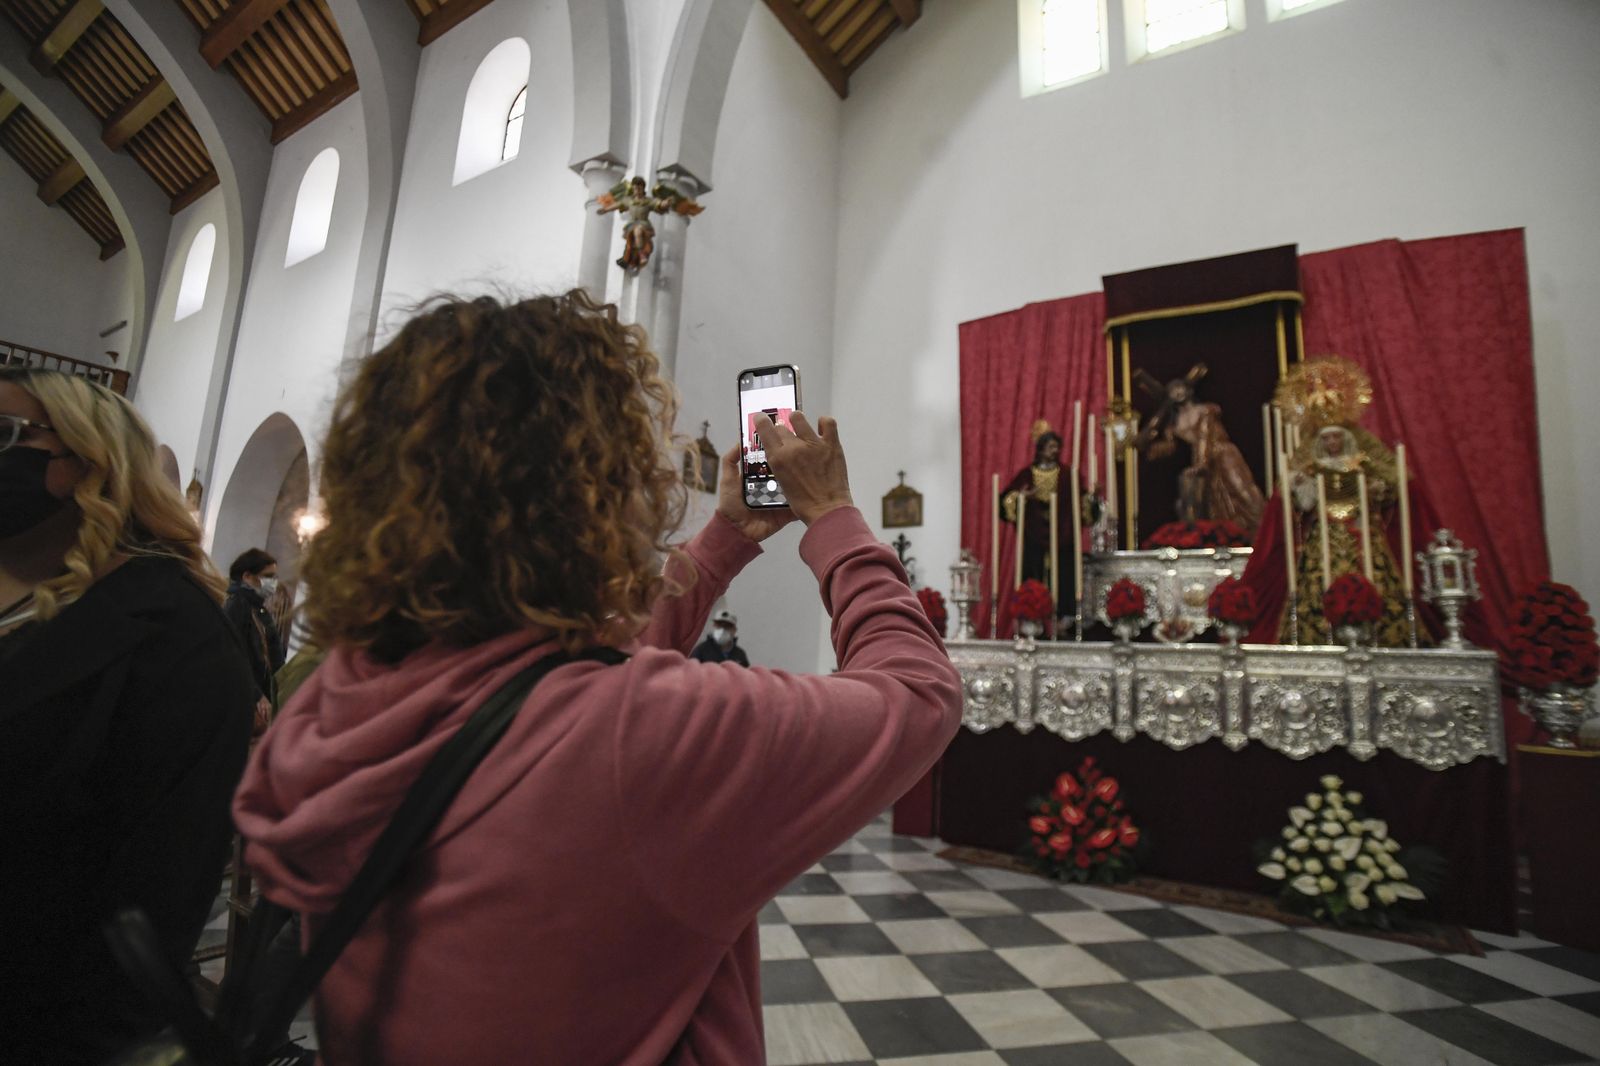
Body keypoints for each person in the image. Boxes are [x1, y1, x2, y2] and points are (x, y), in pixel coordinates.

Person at [232, 291, 962, 1066]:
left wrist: (725, 540)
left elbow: (546, 685)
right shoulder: (633, 736)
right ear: (595, 496)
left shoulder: (342, 695)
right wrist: (834, 516)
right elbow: (917, 694)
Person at [0, 368, 256, 1063]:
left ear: (89, 461)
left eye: (7, 437)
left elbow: (157, 886)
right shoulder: (26, 600)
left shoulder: (173, 633)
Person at [224, 547, 284, 714]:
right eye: (267, 576)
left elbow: (275, 656)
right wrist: (256, 695)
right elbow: (233, 655)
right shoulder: (237, 606)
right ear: (247, 577)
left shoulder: (260, 609)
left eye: (274, 577)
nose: (273, 582)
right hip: (243, 697)